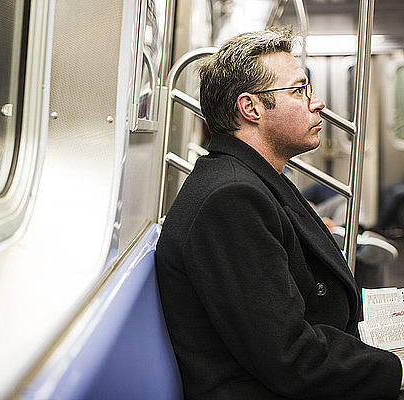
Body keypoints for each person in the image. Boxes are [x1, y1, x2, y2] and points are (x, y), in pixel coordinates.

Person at [155, 28, 403, 399]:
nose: (316, 103)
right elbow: (291, 358)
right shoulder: (230, 199)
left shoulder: (253, 178)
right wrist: (395, 370)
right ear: (251, 108)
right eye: (299, 90)